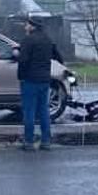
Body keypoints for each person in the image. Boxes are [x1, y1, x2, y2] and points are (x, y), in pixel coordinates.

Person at [16, 16, 63, 151]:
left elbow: (23, 61)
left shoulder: (28, 40)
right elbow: (59, 58)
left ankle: (29, 141)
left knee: (29, 111)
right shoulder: (48, 40)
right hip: (44, 80)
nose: (25, 27)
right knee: (43, 111)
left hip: (30, 80)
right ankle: (46, 141)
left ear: (32, 26)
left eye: (27, 24)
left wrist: (21, 76)